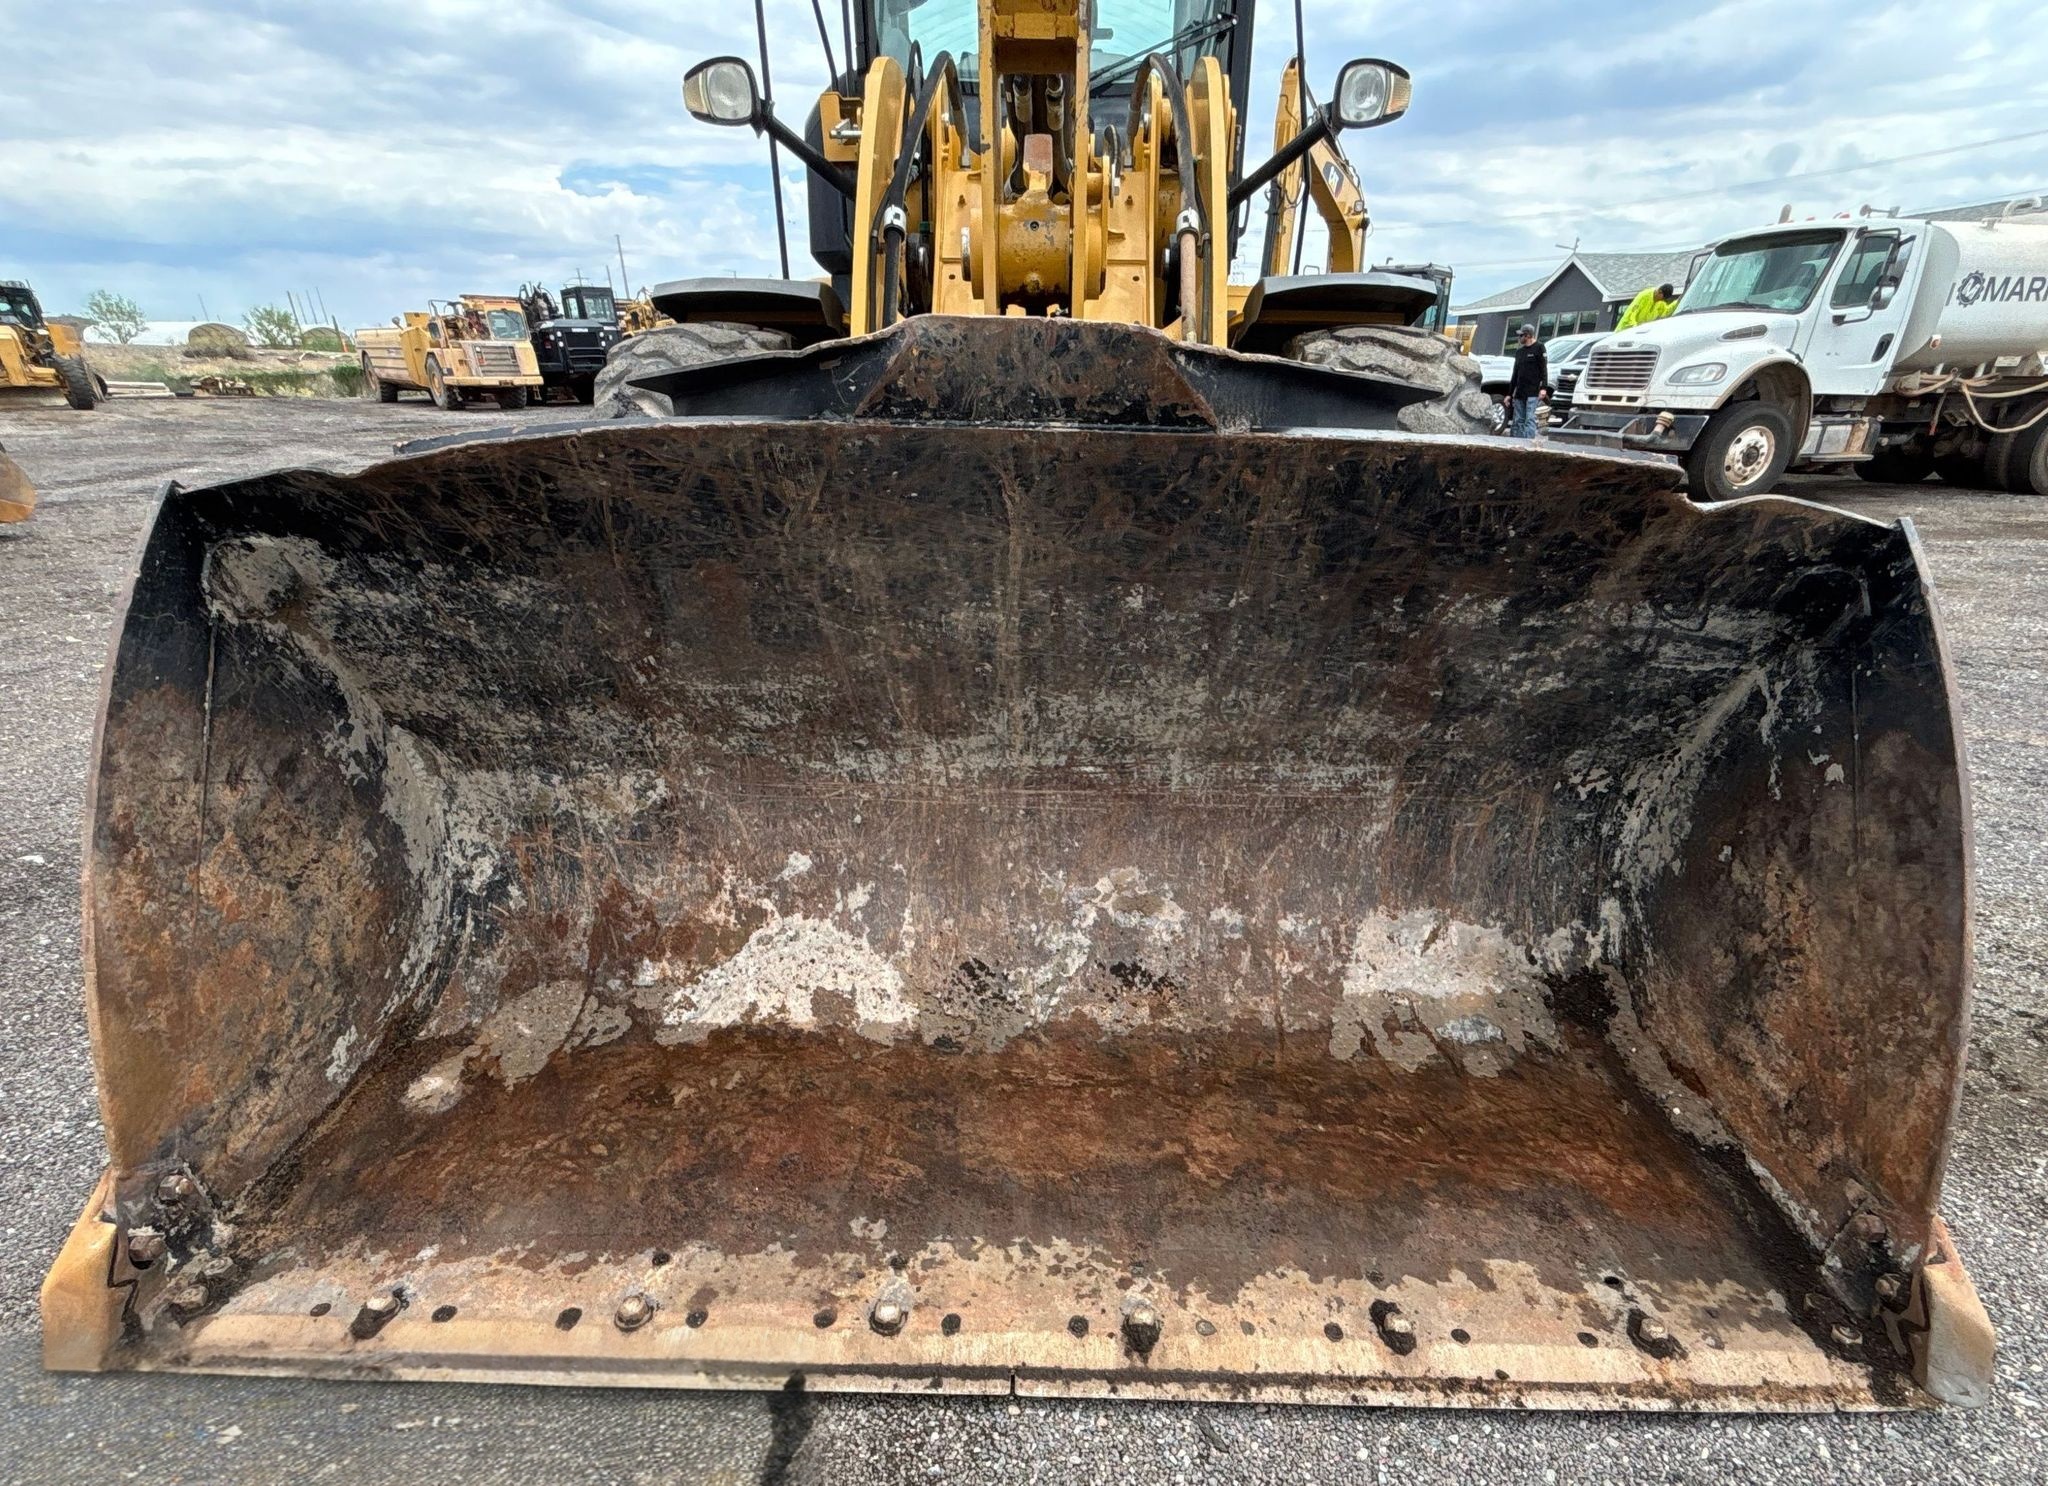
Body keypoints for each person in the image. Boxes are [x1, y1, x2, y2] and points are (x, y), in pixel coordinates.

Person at [1505, 324, 1547, 438]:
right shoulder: (1519, 352)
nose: (1519, 338)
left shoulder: (1539, 348)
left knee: (1530, 418)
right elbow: (1515, 373)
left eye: (1521, 336)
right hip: (1520, 391)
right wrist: (1509, 394)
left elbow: (1544, 369)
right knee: (1518, 419)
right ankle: (1515, 442)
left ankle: (1528, 443)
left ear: (1528, 335)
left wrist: (1543, 388)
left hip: (1532, 391)